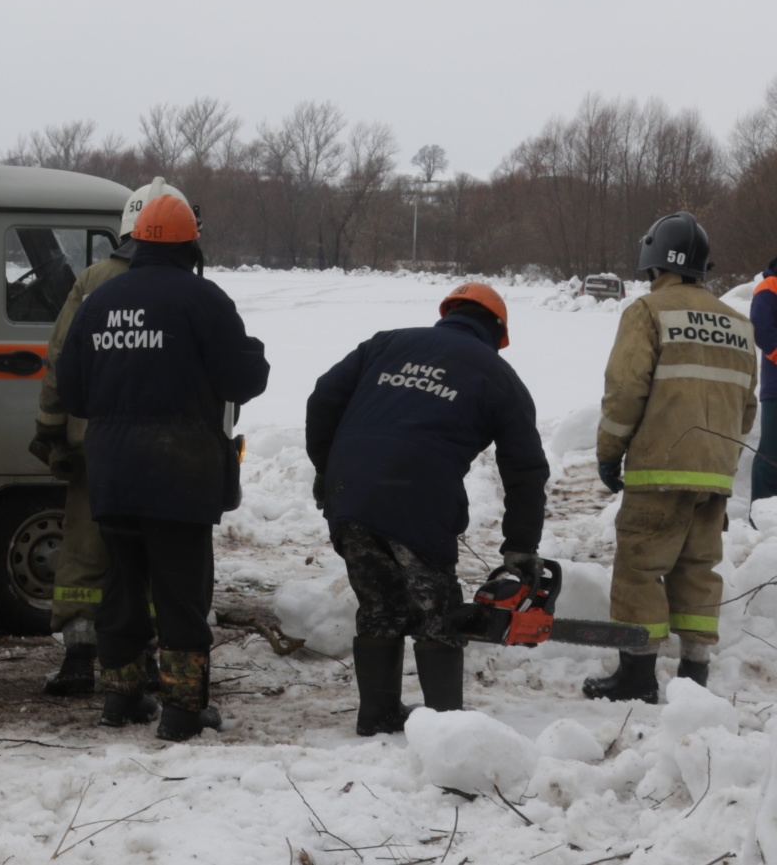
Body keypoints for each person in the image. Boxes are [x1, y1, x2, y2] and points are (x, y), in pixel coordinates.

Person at [55, 193, 268, 741]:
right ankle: (181, 709)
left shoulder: (100, 300)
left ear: (135, 240)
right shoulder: (203, 300)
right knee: (181, 594)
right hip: (180, 474)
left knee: (122, 591)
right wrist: (254, 353)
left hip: (113, 473)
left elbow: (72, 390)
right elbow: (242, 381)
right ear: (189, 244)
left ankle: (121, 699)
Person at [305, 283, 547, 735]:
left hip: (350, 491)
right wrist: (520, 546)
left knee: (379, 604)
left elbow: (322, 398)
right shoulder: (497, 374)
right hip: (419, 497)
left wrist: (327, 470)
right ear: (498, 333)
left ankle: (376, 715)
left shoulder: (386, 344)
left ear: (448, 313)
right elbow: (526, 469)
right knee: (437, 614)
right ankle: (445, 729)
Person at [589, 212, 758, 702]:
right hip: (715, 476)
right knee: (698, 569)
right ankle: (694, 675)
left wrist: (609, 452)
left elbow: (624, 392)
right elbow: (746, 407)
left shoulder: (647, 312)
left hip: (658, 470)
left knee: (640, 569)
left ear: (652, 261)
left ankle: (637, 677)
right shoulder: (739, 323)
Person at [30, 178, 185, 697]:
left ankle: (80, 658)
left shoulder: (93, 280)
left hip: (94, 445)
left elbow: (59, 361)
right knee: (157, 554)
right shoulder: (187, 285)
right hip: (169, 451)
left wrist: (51, 433)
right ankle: (151, 664)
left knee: (86, 552)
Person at [753, 255, 776, 502]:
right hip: (776, 390)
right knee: (771, 455)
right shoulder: (769, 287)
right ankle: (761, 514)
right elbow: (762, 331)